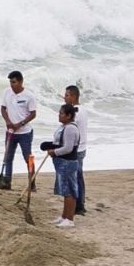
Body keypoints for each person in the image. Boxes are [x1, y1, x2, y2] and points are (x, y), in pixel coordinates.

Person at [44, 104, 81, 228]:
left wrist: (54, 152)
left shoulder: (70, 128)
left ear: (69, 115)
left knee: (69, 191)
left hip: (68, 163)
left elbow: (68, 148)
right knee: (65, 191)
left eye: (61, 113)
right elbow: (60, 143)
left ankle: (69, 219)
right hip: (63, 162)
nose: (59, 115)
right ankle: (64, 216)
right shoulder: (63, 127)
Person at [0, 70, 37, 190]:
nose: (12, 85)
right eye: (10, 82)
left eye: (14, 82)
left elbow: (33, 114)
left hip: (24, 133)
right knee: (8, 158)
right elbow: (3, 108)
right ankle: (7, 183)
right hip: (10, 132)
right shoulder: (6, 92)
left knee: (28, 158)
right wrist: (8, 122)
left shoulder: (29, 95)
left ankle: (32, 183)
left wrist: (20, 124)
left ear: (21, 82)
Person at [64, 85, 88, 215]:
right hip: (81, 147)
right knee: (78, 176)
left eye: (67, 95)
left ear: (74, 96)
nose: (65, 97)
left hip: (76, 149)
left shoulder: (76, 113)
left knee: (75, 177)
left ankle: (78, 205)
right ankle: (80, 204)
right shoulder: (82, 110)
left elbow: (68, 126)